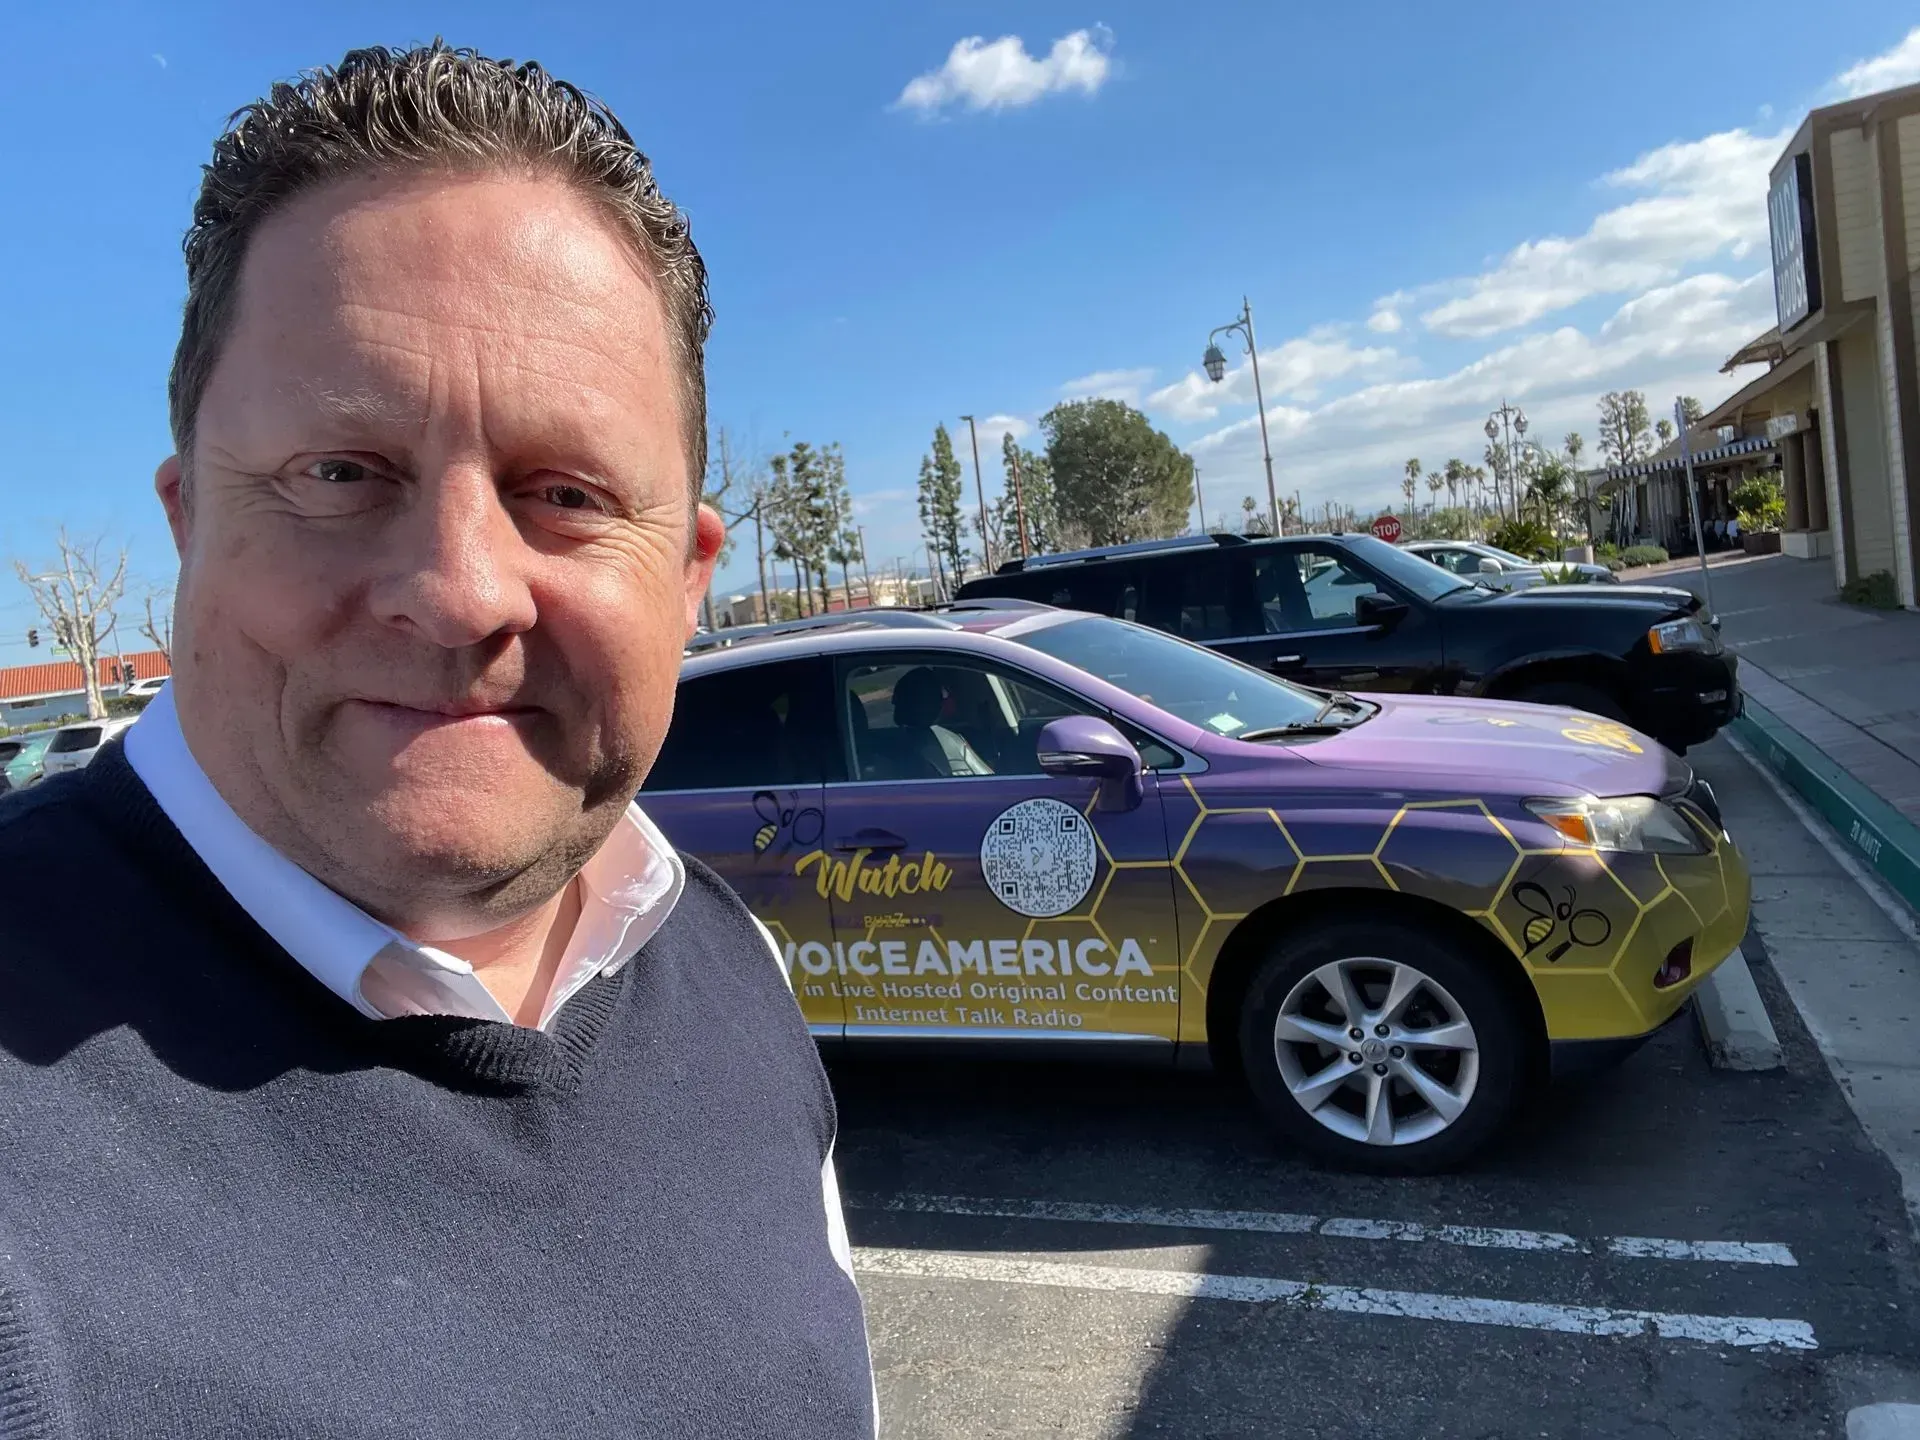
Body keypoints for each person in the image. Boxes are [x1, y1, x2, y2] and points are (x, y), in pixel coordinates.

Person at [0, 43, 874, 1438]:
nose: (462, 589)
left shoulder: (723, 964)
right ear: (186, 519)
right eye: (339, 473)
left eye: (569, 492)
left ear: (691, 575)